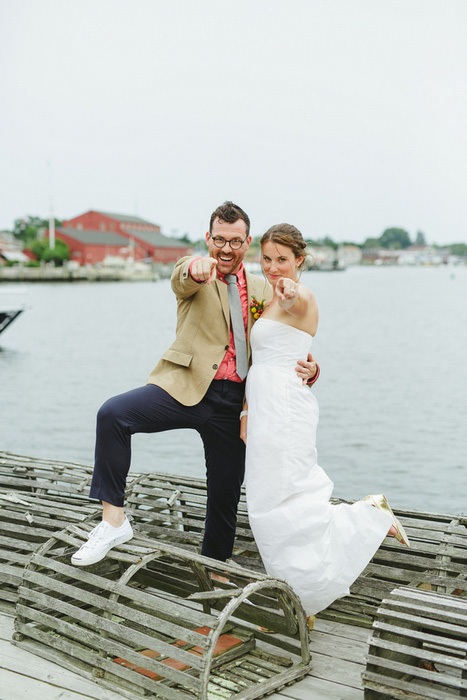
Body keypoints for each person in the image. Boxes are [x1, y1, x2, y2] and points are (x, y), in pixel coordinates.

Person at [71, 202, 319, 567]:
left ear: (247, 243)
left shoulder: (265, 290)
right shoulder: (192, 271)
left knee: (225, 495)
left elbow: (282, 338)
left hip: (236, 403)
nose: (226, 249)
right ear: (208, 238)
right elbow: (182, 277)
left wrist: (311, 369)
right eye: (219, 239)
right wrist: (195, 268)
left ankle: (214, 574)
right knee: (112, 415)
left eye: (235, 241)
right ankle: (113, 521)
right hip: (184, 388)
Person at [242, 223, 410, 617]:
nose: (273, 268)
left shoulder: (299, 294)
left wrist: (289, 289)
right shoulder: (265, 296)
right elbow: (263, 357)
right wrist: (247, 410)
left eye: (282, 260)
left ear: (299, 260)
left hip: (286, 410)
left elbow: (294, 299)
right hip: (266, 408)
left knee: (285, 502)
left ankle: (365, 521)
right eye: (266, 259)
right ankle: (299, 592)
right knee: (265, 503)